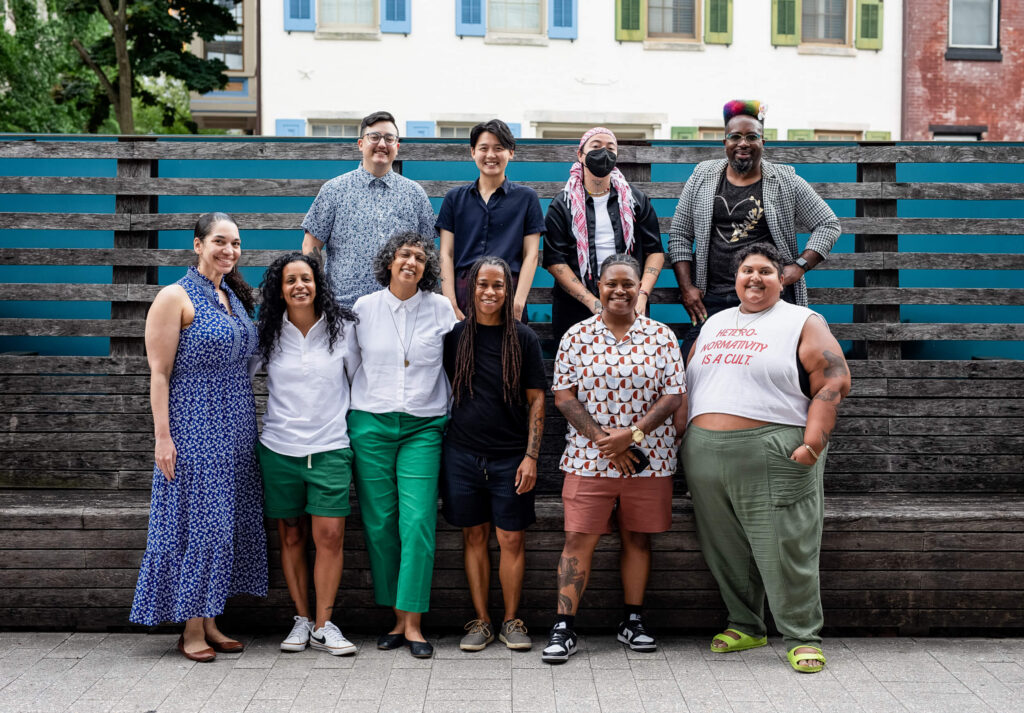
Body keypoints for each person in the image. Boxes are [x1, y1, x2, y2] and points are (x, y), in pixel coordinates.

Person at [681, 244, 851, 674]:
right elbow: (688, 385)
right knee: (726, 549)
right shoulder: (716, 322)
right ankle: (746, 624)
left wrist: (813, 443)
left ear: (783, 278)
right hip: (705, 455)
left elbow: (833, 377)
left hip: (774, 448)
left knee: (786, 545)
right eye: (746, 271)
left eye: (765, 271)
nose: (754, 278)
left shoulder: (801, 320)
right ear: (735, 278)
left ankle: (801, 635)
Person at [130, 212, 266, 662]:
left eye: (236, 244)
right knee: (202, 523)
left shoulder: (231, 296)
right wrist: (162, 437)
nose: (229, 251)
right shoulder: (174, 296)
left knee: (226, 523)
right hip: (194, 422)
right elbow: (159, 373)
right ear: (197, 244)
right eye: (220, 242)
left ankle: (210, 619)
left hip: (236, 422)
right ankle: (191, 627)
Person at [542, 254, 685, 664]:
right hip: (589, 459)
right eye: (611, 283)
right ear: (598, 286)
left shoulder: (661, 336)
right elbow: (564, 396)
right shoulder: (576, 336)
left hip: (650, 460)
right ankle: (564, 626)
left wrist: (633, 436)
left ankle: (633, 620)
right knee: (577, 539)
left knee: (637, 538)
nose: (619, 290)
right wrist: (607, 441)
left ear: (640, 287)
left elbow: (673, 395)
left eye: (628, 283)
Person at [347, 232, 457, 659]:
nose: (410, 261)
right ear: (389, 263)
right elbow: (352, 367)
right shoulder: (364, 309)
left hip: (423, 427)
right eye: (403, 255)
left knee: (417, 522)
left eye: (418, 256)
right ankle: (395, 617)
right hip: (370, 423)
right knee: (380, 524)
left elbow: (454, 365)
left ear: (427, 266)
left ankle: (413, 623)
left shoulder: (441, 309)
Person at [668, 100, 841, 362]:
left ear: (763, 142)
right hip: (713, 296)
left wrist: (799, 266)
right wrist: (687, 287)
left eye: (752, 136)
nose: (743, 143)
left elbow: (828, 224)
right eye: (735, 136)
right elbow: (680, 234)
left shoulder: (785, 180)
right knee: (690, 369)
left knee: (776, 365)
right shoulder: (702, 176)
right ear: (724, 142)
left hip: (770, 296)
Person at [253, 253, 359, 656]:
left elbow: (360, 383)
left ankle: (324, 624)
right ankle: (300, 619)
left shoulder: (344, 329)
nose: (300, 286)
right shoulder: (266, 332)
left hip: (331, 448)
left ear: (318, 284)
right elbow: (240, 377)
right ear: (279, 289)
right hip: (279, 449)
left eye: (307, 278)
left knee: (330, 536)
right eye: (290, 280)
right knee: (292, 534)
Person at [441, 256, 546, 652]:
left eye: (498, 285)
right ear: (470, 287)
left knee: (511, 538)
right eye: (483, 284)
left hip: (510, 456)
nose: (489, 292)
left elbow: (537, 401)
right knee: (474, 536)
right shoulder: (456, 337)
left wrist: (531, 456)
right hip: (463, 454)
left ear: (508, 289)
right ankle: (481, 621)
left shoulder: (523, 339)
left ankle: (512, 621)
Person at [301, 110, 436, 307]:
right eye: (374, 137)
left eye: (389, 139)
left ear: (397, 147)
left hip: (401, 308)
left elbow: (428, 253)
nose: (382, 144)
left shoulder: (415, 194)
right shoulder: (334, 190)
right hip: (345, 309)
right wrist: (320, 296)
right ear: (360, 144)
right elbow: (310, 246)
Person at [543, 127, 665, 340]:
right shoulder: (563, 204)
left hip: (629, 304)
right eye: (596, 146)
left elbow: (655, 251)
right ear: (580, 155)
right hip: (576, 309)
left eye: (611, 148)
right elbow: (555, 261)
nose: (604, 153)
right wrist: (593, 303)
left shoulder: (635, 200)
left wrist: (642, 295)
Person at [437, 119, 545, 322]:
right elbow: (446, 253)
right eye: (483, 148)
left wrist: (518, 301)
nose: (491, 155)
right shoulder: (454, 198)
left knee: (508, 353)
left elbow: (531, 254)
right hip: (463, 291)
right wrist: (450, 301)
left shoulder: (526, 198)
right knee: (462, 352)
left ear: (511, 152)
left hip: (507, 289)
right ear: (473, 152)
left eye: (499, 148)